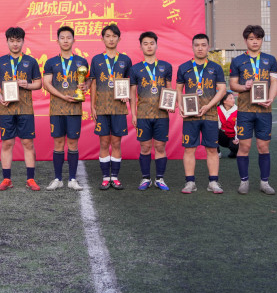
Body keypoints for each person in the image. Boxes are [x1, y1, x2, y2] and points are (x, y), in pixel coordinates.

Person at [0, 26, 43, 191]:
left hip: (26, 109)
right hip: (6, 109)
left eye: (18, 41)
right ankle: (7, 179)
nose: (15, 44)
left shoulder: (31, 61)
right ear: (7, 42)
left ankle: (30, 179)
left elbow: (39, 84)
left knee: (28, 143)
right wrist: (1, 97)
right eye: (12, 41)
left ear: (23, 41)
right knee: (7, 143)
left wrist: (27, 84)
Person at [229, 25, 277, 195]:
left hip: (264, 111)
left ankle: (264, 182)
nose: (255, 41)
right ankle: (244, 181)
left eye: (258, 38)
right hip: (245, 110)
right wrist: (245, 86)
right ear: (246, 41)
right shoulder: (237, 60)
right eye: (251, 39)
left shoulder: (270, 59)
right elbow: (233, 85)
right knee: (244, 146)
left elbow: (274, 82)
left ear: (262, 40)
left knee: (263, 146)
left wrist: (270, 98)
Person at [176, 33, 227, 194]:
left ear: (208, 47)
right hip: (190, 116)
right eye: (197, 45)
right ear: (192, 47)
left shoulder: (216, 68)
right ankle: (190, 182)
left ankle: (213, 182)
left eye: (203, 45)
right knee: (189, 149)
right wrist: (180, 106)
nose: (200, 48)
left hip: (210, 114)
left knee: (212, 149)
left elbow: (222, 90)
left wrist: (209, 106)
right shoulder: (184, 67)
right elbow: (178, 90)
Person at [42, 26, 89, 191]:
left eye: (69, 38)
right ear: (57, 41)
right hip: (57, 108)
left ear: (74, 40)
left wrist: (85, 86)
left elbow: (87, 81)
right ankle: (58, 179)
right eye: (62, 38)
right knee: (58, 142)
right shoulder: (51, 62)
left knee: (73, 143)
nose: (66, 41)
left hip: (74, 108)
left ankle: (72, 179)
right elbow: (46, 84)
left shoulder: (81, 62)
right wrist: (62, 96)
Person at [90, 24, 132, 190]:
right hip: (101, 107)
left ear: (119, 39)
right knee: (103, 142)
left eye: (114, 36)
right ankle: (105, 177)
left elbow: (129, 83)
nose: (111, 39)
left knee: (116, 143)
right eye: (108, 36)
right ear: (102, 39)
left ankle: (114, 177)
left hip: (118, 108)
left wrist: (127, 95)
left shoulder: (125, 60)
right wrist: (92, 106)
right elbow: (93, 83)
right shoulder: (96, 59)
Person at [129, 31, 173, 190]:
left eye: (152, 43)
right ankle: (146, 178)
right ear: (141, 46)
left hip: (161, 114)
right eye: (145, 43)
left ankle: (160, 179)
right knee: (145, 147)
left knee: (160, 147)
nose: (149, 46)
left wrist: (171, 104)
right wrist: (133, 114)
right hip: (143, 114)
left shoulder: (166, 66)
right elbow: (132, 93)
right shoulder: (135, 69)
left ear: (156, 45)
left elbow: (169, 89)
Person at [217, 91, 239, 158]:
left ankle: (234, 152)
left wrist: (237, 138)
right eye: (231, 98)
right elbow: (217, 125)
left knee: (236, 147)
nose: (233, 100)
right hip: (222, 135)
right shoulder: (218, 109)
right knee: (212, 130)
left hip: (233, 136)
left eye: (233, 98)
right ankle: (217, 152)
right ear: (224, 101)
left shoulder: (237, 110)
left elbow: (238, 126)